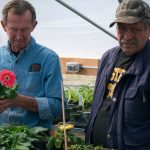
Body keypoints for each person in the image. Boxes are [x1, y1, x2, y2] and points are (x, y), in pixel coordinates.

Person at [85, 0, 150, 149]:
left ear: (149, 29)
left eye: (135, 29)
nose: (127, 36)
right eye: (122, 28)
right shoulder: (108, 57)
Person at [0, 0, 63, 129]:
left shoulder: (48, 58)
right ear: (3, 26)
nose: (19, 36)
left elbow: (58, 107)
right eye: (13, 29)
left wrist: (19, 100)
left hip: (35, 139)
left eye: (24, 30)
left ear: (34, 26)